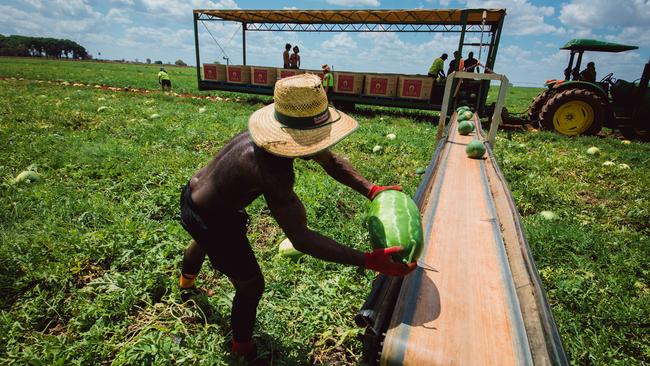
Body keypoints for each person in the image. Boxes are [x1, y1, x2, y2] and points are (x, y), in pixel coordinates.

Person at [178, 74, 416, 360]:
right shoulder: (272, 170)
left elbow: (332, 160)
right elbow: (301, 238)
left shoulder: (270, 137)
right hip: (213, 219)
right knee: (251, 285)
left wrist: (372, 189)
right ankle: (242, 349)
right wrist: (366, 259)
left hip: (195, 195)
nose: (319, 147)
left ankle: (186, 284)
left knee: (201, 241)